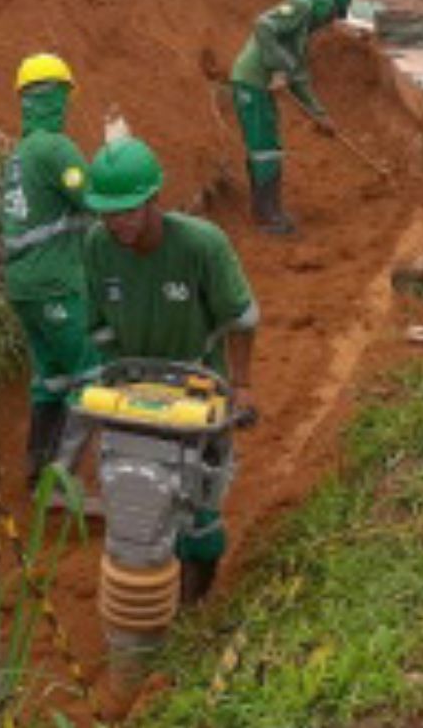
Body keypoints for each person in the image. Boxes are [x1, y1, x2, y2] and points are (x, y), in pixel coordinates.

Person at [82, 135, 257, 603]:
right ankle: (146, 587)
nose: (117, 222)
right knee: (136, 493)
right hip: (134, 387)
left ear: (153, 199)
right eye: (108, 211)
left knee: (198, 501)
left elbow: (241, 318)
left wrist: (240, 385)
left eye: (128, 210)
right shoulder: (98, 245)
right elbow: (98, 326)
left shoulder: (201, 245)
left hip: (196, 385)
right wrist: (107, 381)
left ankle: (196, 594)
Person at [0, 53, 100, 488]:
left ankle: (36, 467)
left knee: (50, 378)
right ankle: (61, 477)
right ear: (60, 96)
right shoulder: (56, 149)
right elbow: (95, 199)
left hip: (23, 286)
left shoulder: (20, 153)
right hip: (56, 280)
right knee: (89, 372)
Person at [229, 0, 353, 235]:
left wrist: (320, 115)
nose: (330, 22)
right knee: (264, 147)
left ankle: (267, 209)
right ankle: (267, 217)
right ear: (327, 2)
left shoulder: (304, 30)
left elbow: (299, 78)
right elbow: (263, 26)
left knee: (267, 145)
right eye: (333, 15)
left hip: (259, 87)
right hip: (252, 84)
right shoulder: (301, 7)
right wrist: (279, 67)